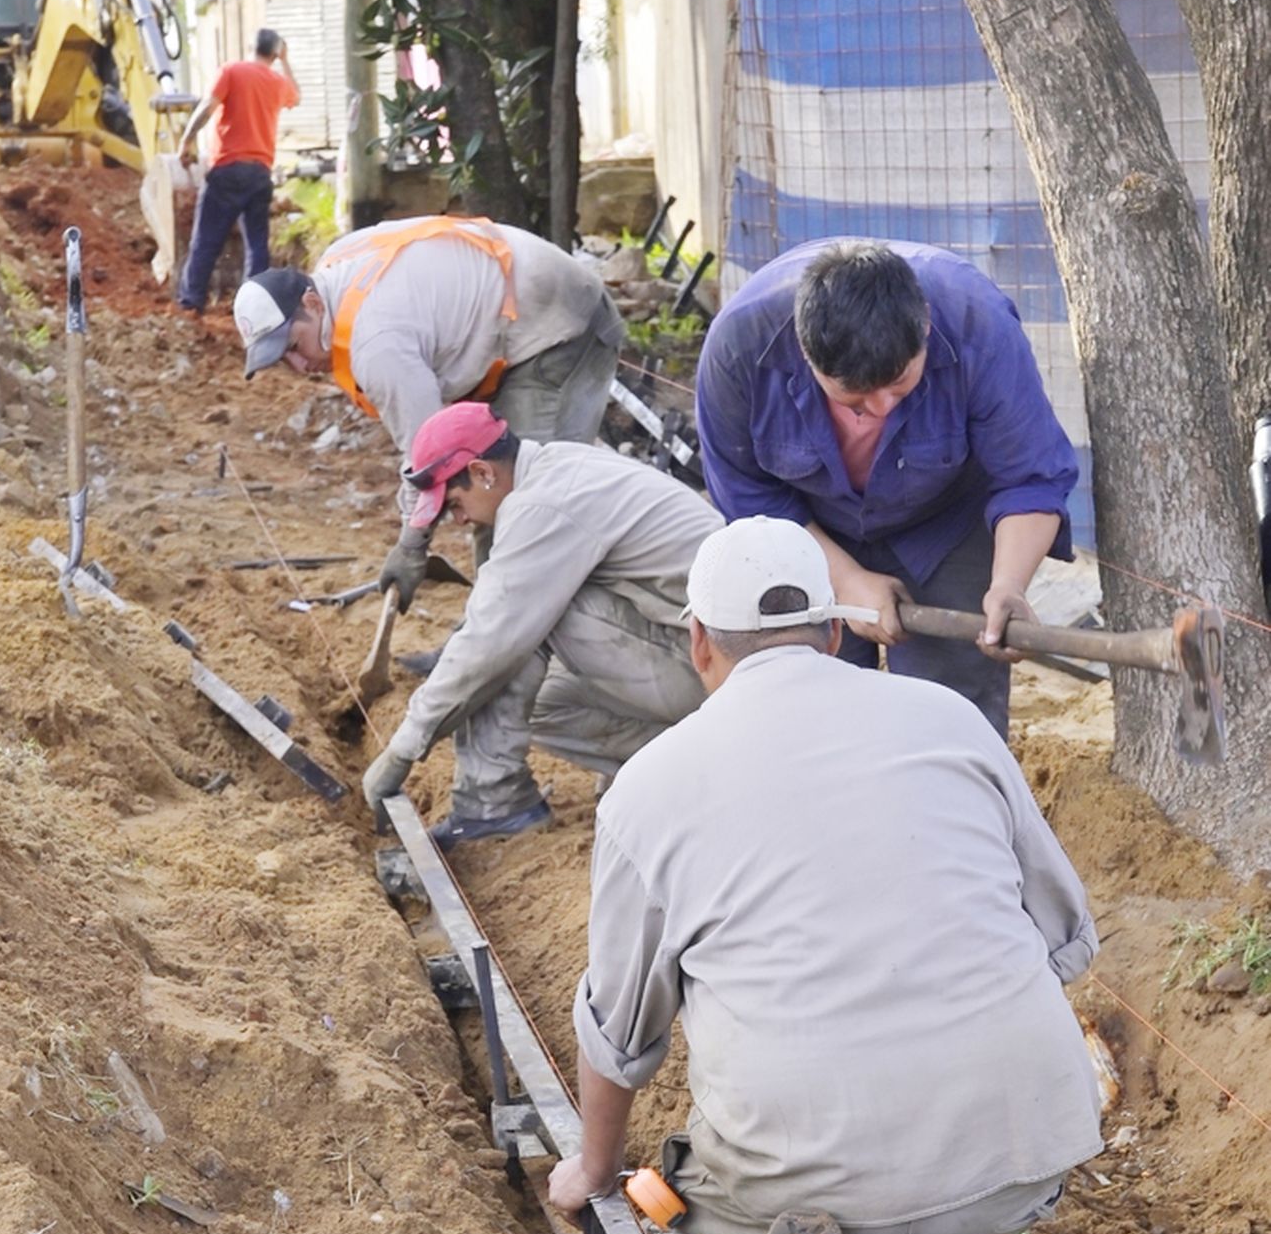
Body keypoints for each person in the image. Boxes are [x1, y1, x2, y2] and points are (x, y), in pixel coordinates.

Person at [549, 515, 1109, 1234]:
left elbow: (621, 1032)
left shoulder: (649, 788)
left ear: (697, 641)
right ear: (838, 629)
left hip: (790, 1177)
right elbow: (1063, 940)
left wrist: (594, 1169)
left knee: (663, 1201)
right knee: (946, 1214)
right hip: (1017, 1152)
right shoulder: (950, 720)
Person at [694, 238, 1079, 737]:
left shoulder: (978, 327)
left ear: (923, 326)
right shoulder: (739, 349)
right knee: (806, 709)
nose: (881, 410)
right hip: (804, 536)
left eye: (900, 384)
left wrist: (1007, 585)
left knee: (950, 714)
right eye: (853, 399)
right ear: (806, 355)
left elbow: (1030, 476)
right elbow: (748, 497)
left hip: (945, 526)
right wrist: (848, 580)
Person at [359, 402, 721, 848]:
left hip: (714, 668)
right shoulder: (557, 467)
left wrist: (402, 750)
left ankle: (493, 805)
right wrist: (412, 543)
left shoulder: (544, 505)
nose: (459, 519)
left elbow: (490, 641)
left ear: (483, 472)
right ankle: (688, 762)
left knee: (521, 620)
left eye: (455, 503)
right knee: (542, 703)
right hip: (706, 658)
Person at [233, 215, 624, 596]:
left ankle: (521, 645)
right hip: (518, 316)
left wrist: (411, 546)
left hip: (563, 324)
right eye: (283, 359)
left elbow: (434, 458)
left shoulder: (376, 345)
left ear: (313, 302)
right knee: (499, 495)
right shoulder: (337, 269)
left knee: (517, 500)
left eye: (293, 346)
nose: (299, 366)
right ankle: (492, 636)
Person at [176, 29, 301, 312]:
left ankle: (191, 303)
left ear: (250, 46)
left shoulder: (231, 71)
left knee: (206, 239)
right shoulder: (278, 82)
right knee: (257, 246)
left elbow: (208, 107)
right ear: (275, 52)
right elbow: (298, 96)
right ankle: (254, 310)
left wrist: (186, 140)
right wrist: (286, 61)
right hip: (260, 174)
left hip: (227, 169)